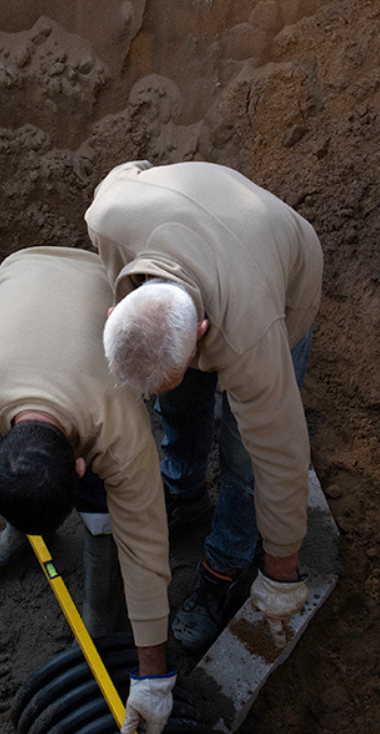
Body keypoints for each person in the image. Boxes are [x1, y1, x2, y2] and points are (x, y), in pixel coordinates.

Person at [0, 247, 179, 734]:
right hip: (20, 266)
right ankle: (20, 527)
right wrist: (0, 484)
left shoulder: (121, 431)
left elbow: (147, 548)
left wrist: (153, 677)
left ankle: (98, 607)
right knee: (27, 483)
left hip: (101, 281)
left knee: (104, 518)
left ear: (84, 464)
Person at [86, 159, 323, 655]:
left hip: (284, 266)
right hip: (212, 222)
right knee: (178, 401)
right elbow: (127, 171)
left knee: (243, 457)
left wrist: (281, 576)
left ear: (201, 335)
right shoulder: (107, 218)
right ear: (115, 311)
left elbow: (280, 457)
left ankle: (226, 564)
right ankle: (184, 490)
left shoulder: (250, 336)